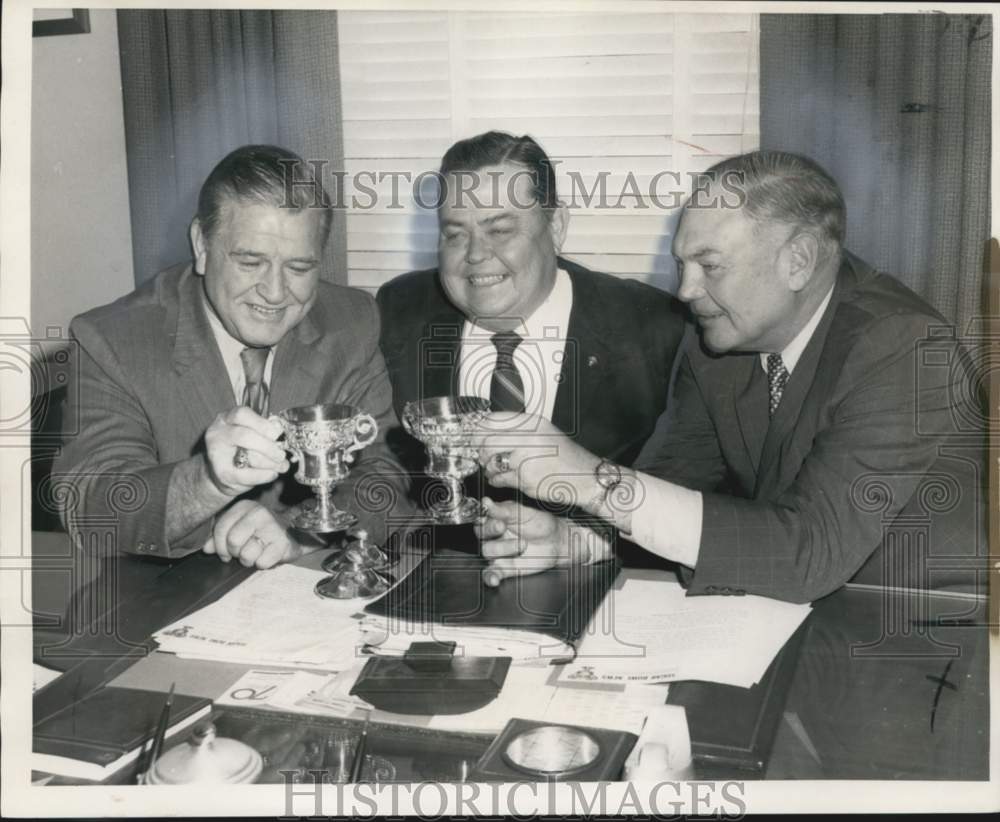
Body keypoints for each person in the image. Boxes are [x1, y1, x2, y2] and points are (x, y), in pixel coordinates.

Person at [473, 150, 985, 603]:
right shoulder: (721, 334)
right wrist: (580, 540)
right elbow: (671, 483)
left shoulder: (906, 348)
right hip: (787, 613)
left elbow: (810, 551)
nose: (685, 291)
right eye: (682, 264)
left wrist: (592, 480)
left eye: (709, 266)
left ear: (798, 261)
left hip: (913, 628)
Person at [54, 144, 410, 569]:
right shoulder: (113, 340)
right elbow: (92, 514)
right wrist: (208, 480)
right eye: (250, 262)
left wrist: (299, 530)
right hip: (165, 598)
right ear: (202, 246)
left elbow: (386, 476)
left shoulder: (351, 321)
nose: (275, 293)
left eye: (299, 268)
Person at [377, 131, 686, 482]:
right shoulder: (397, 311)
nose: (476, 254)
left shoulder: (656, 329)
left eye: (501, 230)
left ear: (555, 227)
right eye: (455, 234)